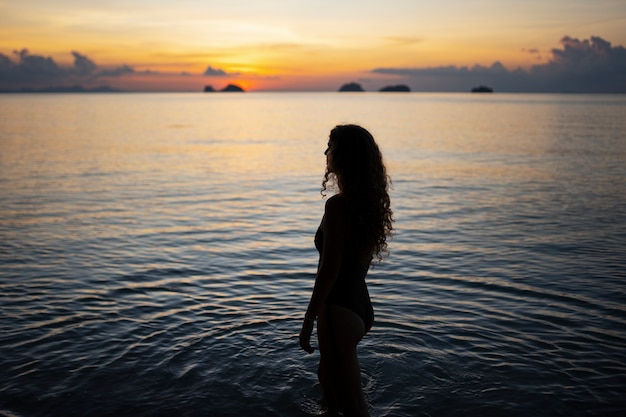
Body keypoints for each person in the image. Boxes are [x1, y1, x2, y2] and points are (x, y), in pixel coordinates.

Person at [299, 124, 393, 417]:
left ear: (344, 156)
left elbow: (329, 270)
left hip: (338, 310)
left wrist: (308, 319)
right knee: (327, 380)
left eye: (331, 146)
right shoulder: (367, 206)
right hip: (359, 307)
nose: (326, 152)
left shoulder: (337, 207)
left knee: (354, 408)